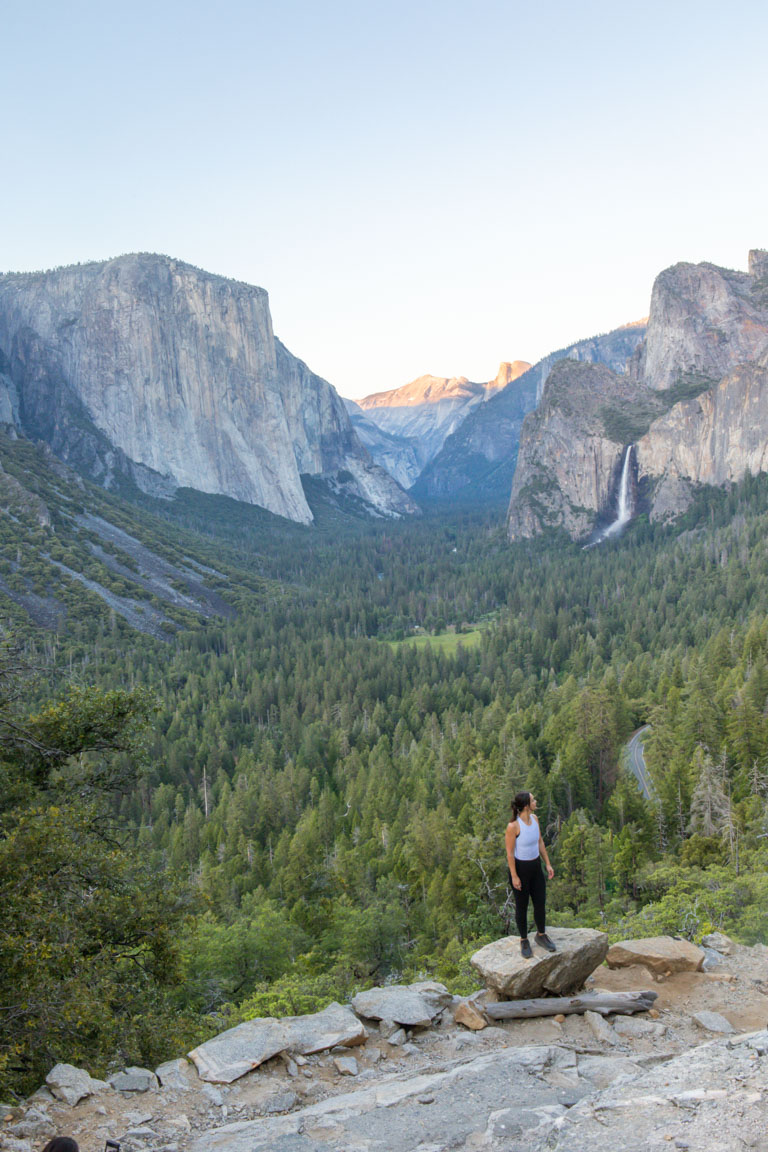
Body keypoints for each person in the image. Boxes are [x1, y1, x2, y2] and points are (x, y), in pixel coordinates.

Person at [505, 790, 556, 958]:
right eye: (533, 800)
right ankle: (524, 939)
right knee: (522, 906)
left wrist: (547, 863)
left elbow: (540, 842)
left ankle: (541, 935)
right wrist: (514, 876)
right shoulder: (514, 826)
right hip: (520, 869)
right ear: (526, 806)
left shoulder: (535, 820)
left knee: (540, 902)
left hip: (535, 867)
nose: (536, 802)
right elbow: (510, 853)